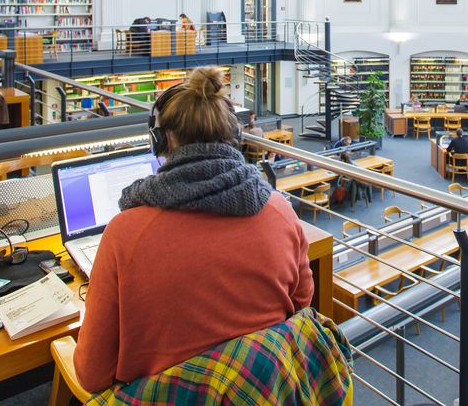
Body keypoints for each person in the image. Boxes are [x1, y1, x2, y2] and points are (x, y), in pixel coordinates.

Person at [73, 67, 317, 393]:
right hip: (262, 393)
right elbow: (301, 302)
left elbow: (92, 376)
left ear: (159, 141)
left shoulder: (124, 234)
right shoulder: (279, 211)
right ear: (235, 138)